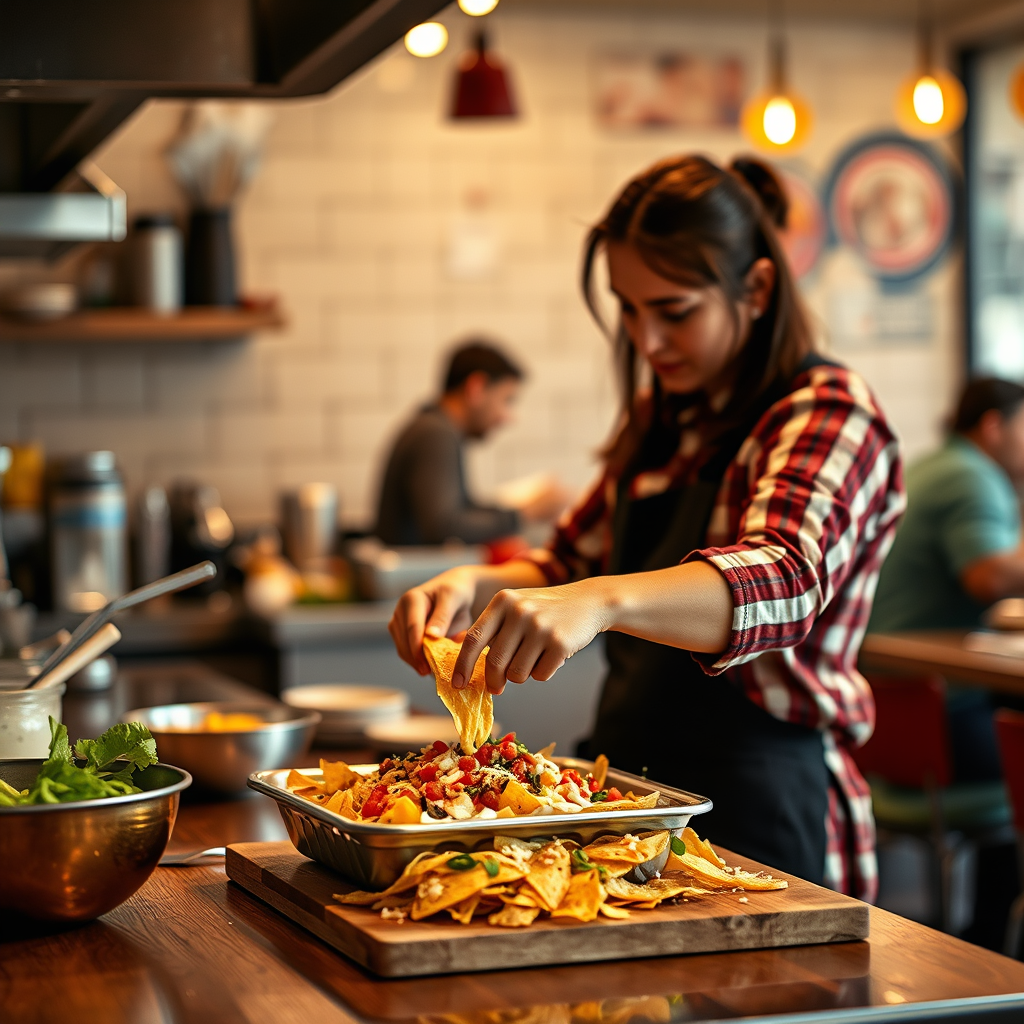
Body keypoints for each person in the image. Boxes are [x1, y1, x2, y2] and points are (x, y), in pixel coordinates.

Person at [388, 155, 905, 901]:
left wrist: (600, 600)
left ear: (757, 289)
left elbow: (786, 580)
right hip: (626, 796)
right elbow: (567, 562)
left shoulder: (826, 411)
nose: (647, 340)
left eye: (675, 311)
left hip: (761, 801)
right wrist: (475, 585)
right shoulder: (662, 422)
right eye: (629, 311)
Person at [870, 377, 1024, 781]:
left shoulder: (931, 465)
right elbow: (989, 577)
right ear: (994, 426)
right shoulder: (969, 475)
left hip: (891, 707)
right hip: (941, 715)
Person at [375, 341, 563, 546]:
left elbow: (462, 509)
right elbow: (444, 526)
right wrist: (525, 514)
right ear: (476, 388)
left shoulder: (435, 427)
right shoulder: (436, 433)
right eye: (506, 400)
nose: (508, 417)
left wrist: (519, 511)